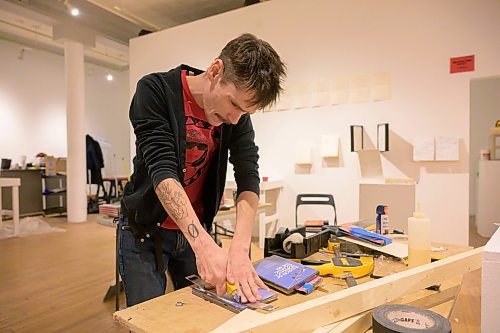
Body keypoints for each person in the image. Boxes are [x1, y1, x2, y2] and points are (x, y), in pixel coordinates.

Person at [119, 33, 286, 307]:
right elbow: (163, 173)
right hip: (144, 231)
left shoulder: (236, 116)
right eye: (233, 104)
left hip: (197, 228)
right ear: (215, 70)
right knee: (150, 318)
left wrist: (240, 249)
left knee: (204, 314)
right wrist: (204, 246)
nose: (234, 119)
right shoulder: (155, 90)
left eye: (244, 113)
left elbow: (248, 175)